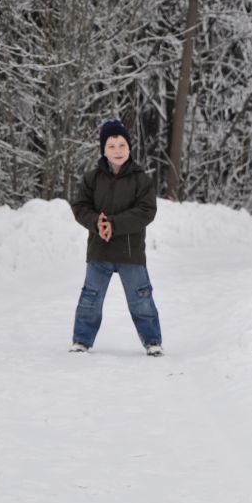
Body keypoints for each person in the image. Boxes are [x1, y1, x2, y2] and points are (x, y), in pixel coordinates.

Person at [69, 118, 163, 357]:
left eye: (122, 145)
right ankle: (81, 341)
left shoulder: (141, 179)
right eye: (111, 146)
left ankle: (152, 342)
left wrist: (114, 224)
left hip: (130, 252)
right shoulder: (92, 178)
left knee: (141, 299)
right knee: (90, 298)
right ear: (103, 149)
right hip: (99, 250)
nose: (117, 151)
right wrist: (96, 223)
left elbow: (146, 211)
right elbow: (80, 206)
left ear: (129, 148)